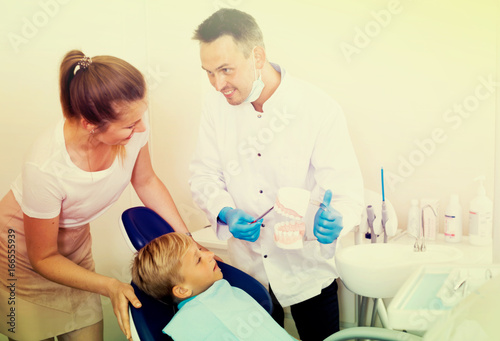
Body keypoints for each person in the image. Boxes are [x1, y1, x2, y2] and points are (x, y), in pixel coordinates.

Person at [189, 8, 364, 341]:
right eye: (209, 73)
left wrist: (337, 220)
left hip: (307, 271)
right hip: (249, 272)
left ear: (258, 56)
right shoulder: (215, 108)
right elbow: (203, 175)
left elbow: (346, 192)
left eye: (225, 70)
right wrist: (225, 211)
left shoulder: (317, 108)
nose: (218, 84)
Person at [0, 50, 190, 341]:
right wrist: (109, 285)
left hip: (74, 245)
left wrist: (187, 240)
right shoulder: (46, 167)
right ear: (90, 125)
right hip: (22, 252)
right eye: (130, 125)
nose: (141, 128)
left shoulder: (133, 124)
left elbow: (147, 180)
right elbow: (44, 257)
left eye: (141, 116)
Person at [131, 232, 296, 340]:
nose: (210, 255)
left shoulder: (229, 292)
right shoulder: (190, 326)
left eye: (201, 250)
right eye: (198, 259)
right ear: (182, 290)